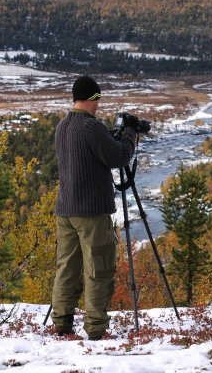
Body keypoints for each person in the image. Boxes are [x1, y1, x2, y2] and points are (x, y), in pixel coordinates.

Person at [51, 76, 136, 340]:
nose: (99, 105)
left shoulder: (62, 126)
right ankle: (96, 328)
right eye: (97, 99)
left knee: (67, 267)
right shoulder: (90, 127)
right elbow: (118, 157)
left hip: (66, 209)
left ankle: (62, 322)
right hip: (91, 211)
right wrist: (130, 135)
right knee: (99, 267)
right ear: (91, 98)